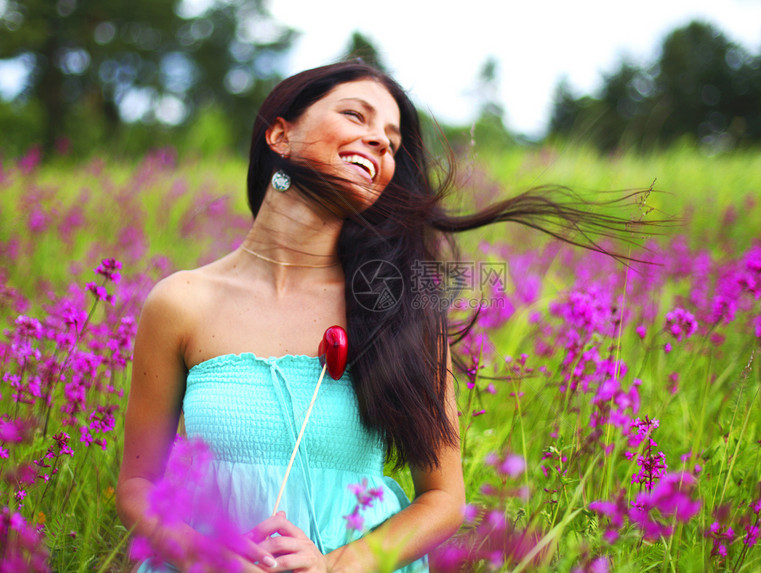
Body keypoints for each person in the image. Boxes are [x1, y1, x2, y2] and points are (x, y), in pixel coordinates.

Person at [118, 61, 656, 573]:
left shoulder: (399, 309)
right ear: (280, 136)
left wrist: (337, 564)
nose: (379, 140)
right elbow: (139, 485)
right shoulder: (180, 302)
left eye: (392, 142)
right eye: (356, 116)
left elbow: (443, 499)